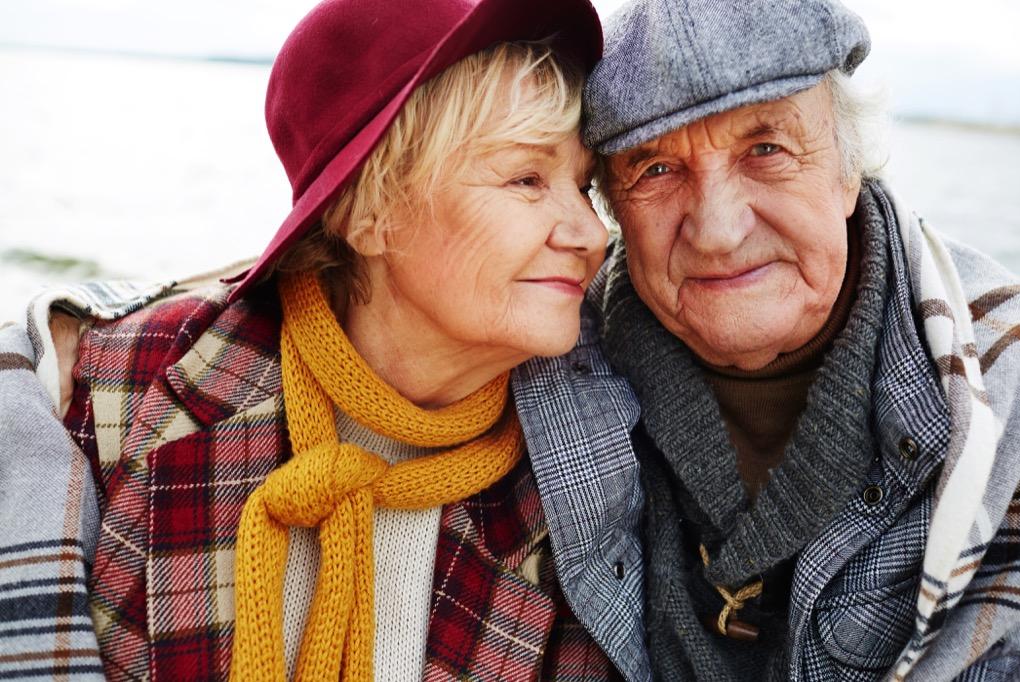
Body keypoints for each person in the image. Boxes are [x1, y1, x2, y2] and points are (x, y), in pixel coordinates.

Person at [0, 0, 653, 679]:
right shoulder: (112, 390)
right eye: (526, 179)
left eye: (582, 186)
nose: (589, 233)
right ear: (368, 214)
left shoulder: (583, 476)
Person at [571, 0, 1020, 679]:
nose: (717, 231)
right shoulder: (542, 373)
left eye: (766, 148)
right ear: (611, 204)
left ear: (848, 170)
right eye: (655, 168)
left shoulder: (1000, 381)